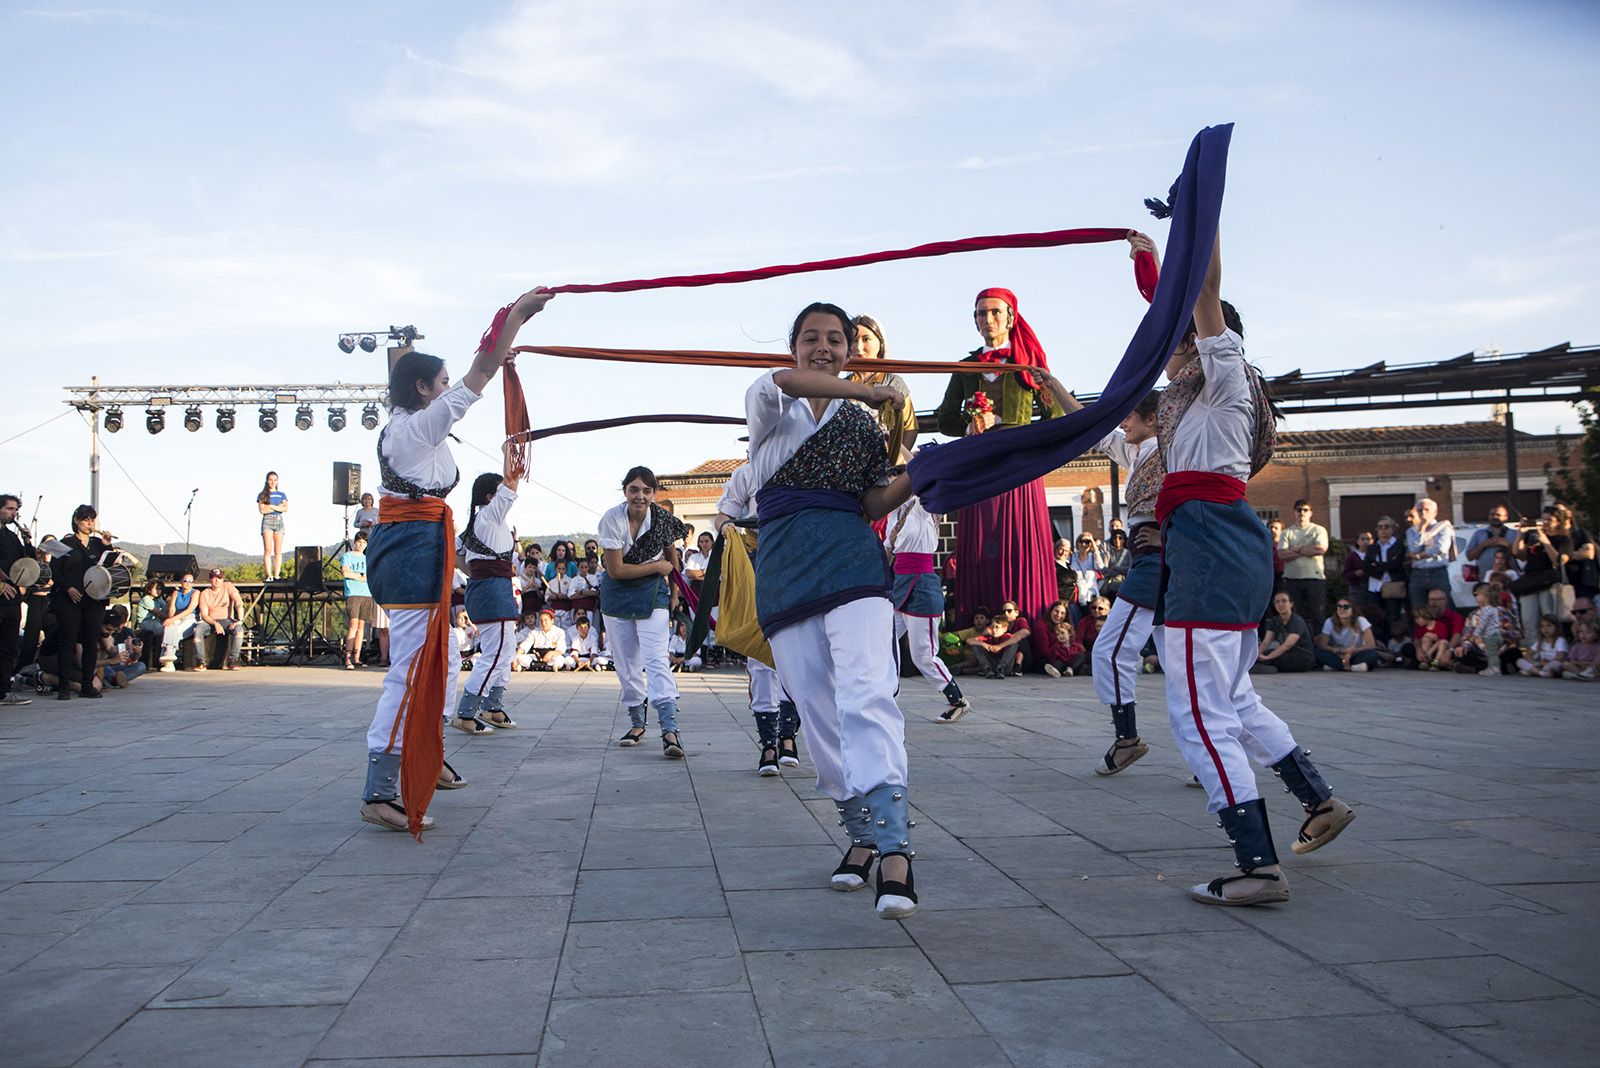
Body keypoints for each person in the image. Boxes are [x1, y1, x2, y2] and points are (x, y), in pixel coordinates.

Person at [1151, 238, 1353, 907]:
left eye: (1178, 341)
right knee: (1235, 701)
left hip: (1209, 551)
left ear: (1202, 342)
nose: (1169, 353)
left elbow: (1203, 301)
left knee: (1199, 718)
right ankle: (1318, 800)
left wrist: (1196, 224)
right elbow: (1176, 310)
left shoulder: (1226, 375)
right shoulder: (1200, 400)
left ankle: (1258, 865)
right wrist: (1154, 260)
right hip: (1228, 551)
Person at [745, 301, 918, 919]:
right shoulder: (770, 401)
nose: (824, 347)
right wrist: (871, 391)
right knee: (817, 712)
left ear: (852, 348)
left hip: (852, 561)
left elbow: (874, 502)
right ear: (793, 346)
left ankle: (896, 847)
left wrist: (920, 474)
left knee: (867, 693)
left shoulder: (869, 423)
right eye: (812, 338)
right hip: (787, 573)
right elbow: (786, 380)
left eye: (837, 339)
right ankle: (861, 832)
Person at [360, 286, 551, 835]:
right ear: (422, 388)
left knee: (441, 660)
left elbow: (476, 377)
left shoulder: (415, 430)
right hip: (414, 552)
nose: (448, 391)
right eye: (441, 384)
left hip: (424, 549)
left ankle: (426, 749)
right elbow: (479, 378)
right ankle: (380, 785)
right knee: (413, 667)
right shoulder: (414, 428)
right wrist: (515, 319)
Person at [1049, 381, 1163, 776]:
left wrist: (1165, 533)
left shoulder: (1174, 450)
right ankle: (1211, 757)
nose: (1124, 420)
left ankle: (1127, 738)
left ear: (1153, 418)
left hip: (1156, 562)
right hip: (1158, 560)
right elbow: (1093, 426)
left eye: (1131, 414)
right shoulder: (1137, 449)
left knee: (1110, 650)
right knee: (1179, 663)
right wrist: (1053, 386)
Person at [933, 287, 1063, 629]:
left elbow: (1055, 416)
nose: (987, 319)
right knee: (978, 547)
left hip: (1019, 466)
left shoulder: (1028, 364)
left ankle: (1029, 630)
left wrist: (1016, 430)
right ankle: (977, 631)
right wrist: (970, 425)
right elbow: (945, 417)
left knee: (1020, 545)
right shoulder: (966, 366)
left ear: (1010, 317)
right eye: (980, 314)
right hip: (979, 464)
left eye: (994, 312)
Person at [712, 462, 803, 773]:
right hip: (753, 558)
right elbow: (724, 514)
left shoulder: (801, 462)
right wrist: (726, 527)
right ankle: (768, 743)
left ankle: (788, 736)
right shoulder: (745, 473)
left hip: (795, 559)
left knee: (794, 651)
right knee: (759, 655)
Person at [599, 465, 686, 758]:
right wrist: (657, 567)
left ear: (653, 493)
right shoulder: (611, 519)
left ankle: (670, 729)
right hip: (618, 593)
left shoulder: (661, 519)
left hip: (653, 593)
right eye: (634, 489)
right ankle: (637, 724)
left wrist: (673, 592)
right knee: (626, 664)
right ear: (625, 490)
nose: (640, 496)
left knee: (657, 659)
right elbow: (617, 569)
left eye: (646, 491)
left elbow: (671, 554)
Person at [884, 483, 970, 721]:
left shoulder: (923, 506)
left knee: (923, 655)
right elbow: (887, 554)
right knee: (881, 641)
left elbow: (922, 472)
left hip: (922, 587)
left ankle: (957, 700)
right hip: (900, 587)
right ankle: (885, 698)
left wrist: (899, 445)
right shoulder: (893, 515)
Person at [454, 445, 524, 734]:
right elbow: (511, 482)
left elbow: (457, 554)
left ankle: (493, 707)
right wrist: (512, 455)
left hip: (491, 589)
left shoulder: (477, 524)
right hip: (492, 591)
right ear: (489, 497)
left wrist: (477, 573)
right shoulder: (489, 516)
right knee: (496, 653)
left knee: (505, 651)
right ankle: (466, 713)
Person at [49, 505, 117, 701]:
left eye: (92, 520)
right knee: (67, 642)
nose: (90, 524)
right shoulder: (64, 543)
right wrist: (67, 587)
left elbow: (107, 567)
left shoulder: (97, 543)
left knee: (90, 642)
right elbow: (55, 570)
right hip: (69, 598)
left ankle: (87, 685)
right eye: (86, 519)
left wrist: (106, 545)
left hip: (94, 598)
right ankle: (63, 687)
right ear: (77, 520)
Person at [846, 314, 918, 450]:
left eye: (866, 339)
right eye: (853, 341)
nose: (859, 347)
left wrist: (894, 461)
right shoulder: (841, 386)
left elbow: (909, 428)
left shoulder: (894, 383)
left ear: (880, 342)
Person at [1513, 505, 1574, 639]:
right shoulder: (1534, 536)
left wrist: (1546, 543)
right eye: (1544, 519)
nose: (1545, 522)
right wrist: (1521, 534)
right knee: (1529, 621)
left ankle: (1554, 649)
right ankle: (1534, 652)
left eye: (1549, 520)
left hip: (1548, 584)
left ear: (1558, 522)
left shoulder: (1563, 540)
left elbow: (1559, 561)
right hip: (1530, 583)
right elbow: (1518, 553)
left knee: (1550, 622)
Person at [0, 494, 34, 706]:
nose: (14, 513)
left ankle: (3, 690)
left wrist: (27, 541)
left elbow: (27, 563)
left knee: (8, 646)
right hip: (2, 593)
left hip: (12, 598)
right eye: (10, 509)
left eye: (15, 510)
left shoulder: (12, 536)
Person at [1279, 499, 1330, 632]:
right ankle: (1297, 643)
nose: (1302, 513)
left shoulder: (1318, 530)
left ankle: (1320, 645)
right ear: (1294, 512)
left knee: (1317, 613)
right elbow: (1282, 554)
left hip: (1314, 578)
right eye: (1299, 510)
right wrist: (1307, 550)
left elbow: (1320, 549)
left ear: (1310, 513)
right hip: (1292, 579)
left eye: (1305, 510)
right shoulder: (1287, 532)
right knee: (1295, 614)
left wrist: (1296, 550)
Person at [1405, 497, 1455, 608]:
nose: (1423, 513)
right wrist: (1421, 529)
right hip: (1418, 574)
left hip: (1438, 573)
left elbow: (1440, 549)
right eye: (1419, 510)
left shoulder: (1443, 527)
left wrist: (1418, 556)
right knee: (1419, 609)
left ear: (1435, 512)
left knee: (1443, 608)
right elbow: (1414, 548)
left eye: (1426, 510)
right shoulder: (1411, 531)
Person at [1451, 582, 1510, 676]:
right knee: (1461, 654)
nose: (1476, 598)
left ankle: (1492, 668)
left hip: (1495, 641)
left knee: (1504, 653)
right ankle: (1486, 666)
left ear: (1486, 596)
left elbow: (1483, 624)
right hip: (1479, 649)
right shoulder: (1472, 615)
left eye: (1477, 595)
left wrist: (1477, 634)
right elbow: (1467, 634)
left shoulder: (1497, 611)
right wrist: (1465, 645)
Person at [1365, 515, 1409, 637]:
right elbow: (1368, 567)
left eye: (1386, 527)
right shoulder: (1373, 547)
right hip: (1375, 586)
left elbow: (1396, 564)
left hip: (1393, 585)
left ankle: (1393, 641)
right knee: (1375, 616)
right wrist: (1384, 566)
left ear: (1392, 529)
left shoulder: (1399, 545)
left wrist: (1378, 566)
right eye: (1380, 527)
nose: (1383, 530)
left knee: (1393, 615)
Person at [194, 568, 246, 670]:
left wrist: (239, 620)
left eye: (219, 578)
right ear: (210, 580)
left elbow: (238, 602)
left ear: (223, 579)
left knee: (239, 630)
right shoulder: (204, 593)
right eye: (214, 578)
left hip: (226, 620)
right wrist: (215, 623)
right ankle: (201, 661)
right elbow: (204, 615)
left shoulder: (228, 586)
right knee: (197, 630)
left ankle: (234, 659)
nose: (216, 580)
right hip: (210, 621)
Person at [1254, 591, 1316, 673]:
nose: (1280, 604)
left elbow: (1288, 645)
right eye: (1277, 602)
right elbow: (1266, 641)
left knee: (1272, 659)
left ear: (1291, 604)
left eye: (1284, 601)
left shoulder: (1297, 621)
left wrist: (1268, 657)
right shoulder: (1274, 620)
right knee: (1261, 656)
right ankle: (1260, 666)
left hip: (1302, 657)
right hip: (1287, 653)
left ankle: (1269, 668)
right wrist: (1258, 654)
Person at [1314, 599, 1378, 672]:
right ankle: (1352, 667)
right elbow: (1322, 645)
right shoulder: (1329, 621)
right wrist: (1336, 650)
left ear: (1352, 609)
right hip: (1338, 654)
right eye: (1339, 607)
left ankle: (1338, 666)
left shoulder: (1361, 620)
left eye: (1346, 607)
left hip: (1356, 653)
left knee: (1372, 654)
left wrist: (1352, 651)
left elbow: (1371, 644)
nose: (1342, 609)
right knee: (1318, 653)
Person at [341, 533, 375, 669]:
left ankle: (357, 656)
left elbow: (369, 577)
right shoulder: (347, 556)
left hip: (366, 594)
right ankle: (347, 657)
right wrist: (360, 575)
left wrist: (358, 576)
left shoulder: (367, 559)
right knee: (353, 625)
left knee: (362, 627)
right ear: (355, 542)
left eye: (364, 543)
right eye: (359, 542)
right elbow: (346, 573)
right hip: (353, 593)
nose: (361, 545)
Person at [1034, 600, 1087, 677]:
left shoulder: (1067, 626)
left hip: (1070, 657)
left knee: (1082, 656)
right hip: (1052, 657)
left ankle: (1070, 669)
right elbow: (1044, 651)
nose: (1058, 615)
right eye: (1056, 611)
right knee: (1057, 663)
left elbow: (1078, 643)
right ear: (1050, 611)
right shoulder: (1042, 626)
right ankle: (1061, 670)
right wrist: (1062, 654)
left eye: (1062, 613)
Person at [159, 573, 199, 670]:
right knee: (169, 626)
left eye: (191, 581)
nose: (188, 583)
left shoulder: (195, 592)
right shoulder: (176, 593)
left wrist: (172, 619)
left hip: (190, 617)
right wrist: (171, 619)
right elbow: (172, 608)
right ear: (181, 582)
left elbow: (190, 610)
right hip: (177, 617)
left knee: (177, 630)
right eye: (185, 581)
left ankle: (167, 656)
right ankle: (169, 658)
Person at [257, 471, 289, 581]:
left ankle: (276, 575)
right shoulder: (263, 495)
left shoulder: (281, 494)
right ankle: (269, 575)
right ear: (267, 481)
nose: (272, 482)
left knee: (278, 550)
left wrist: (270, 507)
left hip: (279, 522)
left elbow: (285, 508)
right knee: (267, 549)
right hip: (267, 521)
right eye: (270, 480)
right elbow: (262, 510)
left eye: (275, 480)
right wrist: (275, 506)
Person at [1342, 530, 1374, 608]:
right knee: (1358, 610)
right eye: (1362, 539)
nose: (1365, 541)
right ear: (1357, 541)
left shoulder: (1375, 555)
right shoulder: (1352, 556)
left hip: (1373, 587)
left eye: (1368, 539)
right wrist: (1355, 573)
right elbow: (1345, 574)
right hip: (1357, 588)